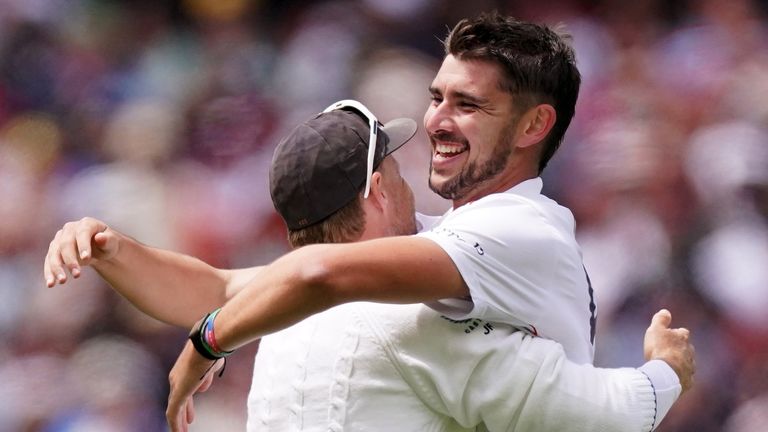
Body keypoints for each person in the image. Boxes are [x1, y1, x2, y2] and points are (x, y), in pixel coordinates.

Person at [46, 100, 693, 431]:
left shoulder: (280, 316)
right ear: (376, 191)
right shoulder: (417, 317)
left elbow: (216, 289)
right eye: (393, 166)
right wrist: (666, 370)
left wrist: (112, 249)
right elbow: (599, 413)